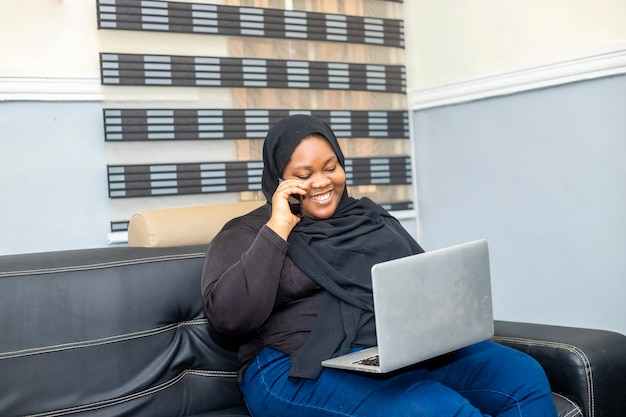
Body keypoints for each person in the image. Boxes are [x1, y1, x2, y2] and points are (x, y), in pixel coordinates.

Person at [201, 114, 557, 417]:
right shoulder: (246, 232)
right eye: (304, 175)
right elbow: (230, 317)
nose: (322, 182)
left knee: (524, 377)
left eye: (331, 167)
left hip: (390, 352)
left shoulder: (367, 217)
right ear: (279, 179)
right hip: (292, 366)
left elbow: (421, 281)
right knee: (438, 409)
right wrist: (278, 227)